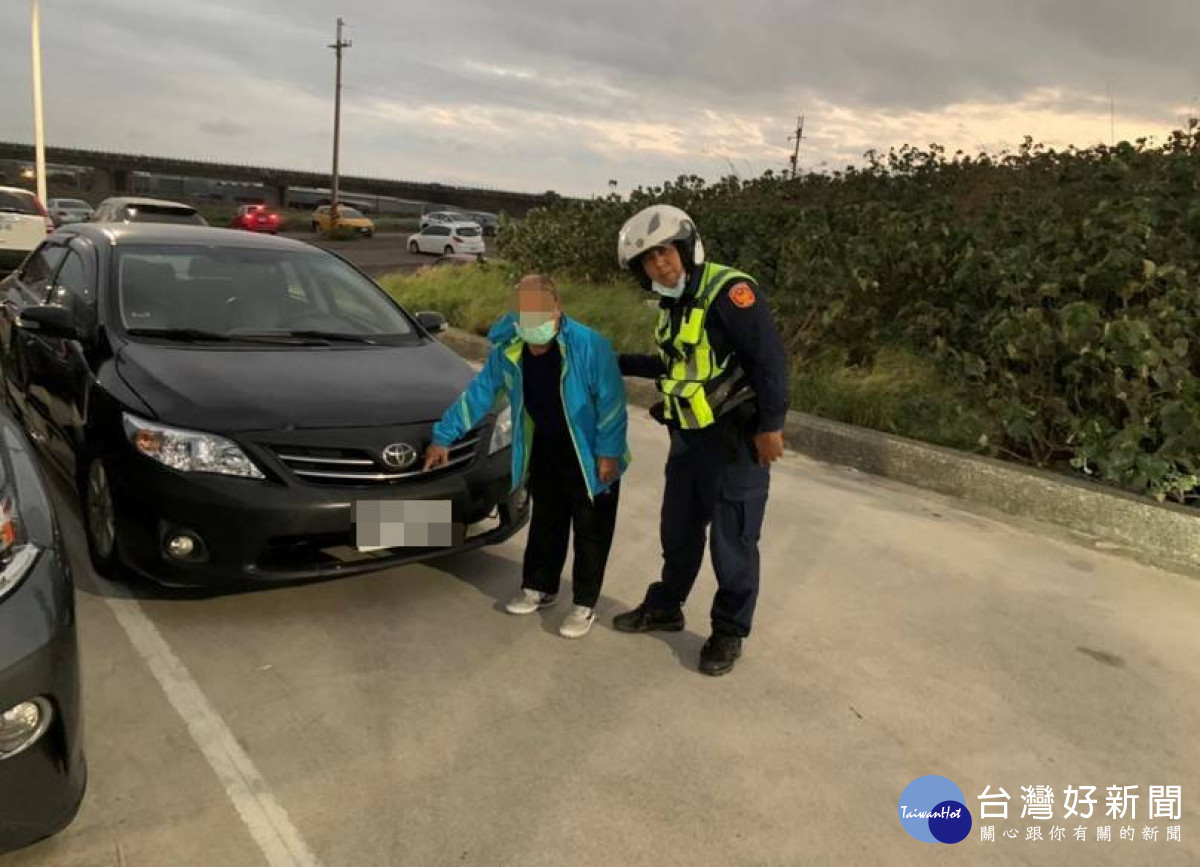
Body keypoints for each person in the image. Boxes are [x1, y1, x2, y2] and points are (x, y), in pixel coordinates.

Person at [611, 205, 789, 676]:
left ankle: (729, 632)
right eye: (647, 261)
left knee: (733, 545)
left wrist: (771, 425)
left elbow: (768, 359)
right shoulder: (672, 305)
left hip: (737, 440)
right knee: (678, 533)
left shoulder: (731, 291)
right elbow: (678, 367)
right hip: (689, 439)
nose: (659, 265)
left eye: (664, 252)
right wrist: (619, 361)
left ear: (685, 248)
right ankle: (666, 606)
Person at [424, 274, 629, 639]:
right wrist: (443, 436)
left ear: (557, 309)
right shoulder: (509, 349)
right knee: (546, 522)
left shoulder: (589, 345)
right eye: (525, 310)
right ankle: (539, 587)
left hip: (590, 454)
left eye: (540, 310)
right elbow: (479, 395)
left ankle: (584, 605)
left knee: (590, 531)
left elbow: (612, 404)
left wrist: (609, 454)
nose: (533, 320)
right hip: (545, 449)